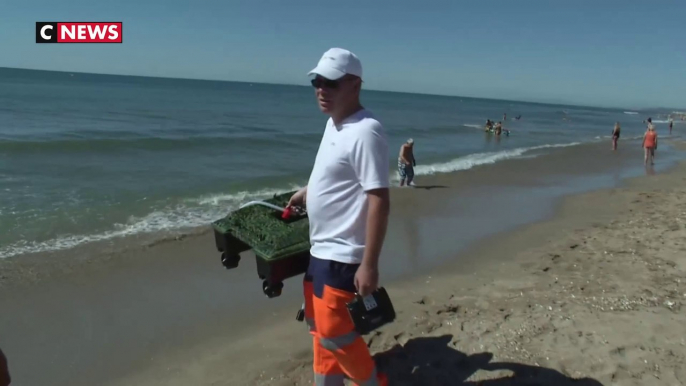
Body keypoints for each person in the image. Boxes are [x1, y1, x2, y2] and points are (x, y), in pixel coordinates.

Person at [288, 48, 390, 386]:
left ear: (355, 85)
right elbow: (335, 173)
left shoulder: (366, 130)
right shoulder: (334, 124)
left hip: (344, 254)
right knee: (318, 329)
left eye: (330, 83)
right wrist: (308, 191)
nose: (321, 89)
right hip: (320, 249)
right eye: (317, 81)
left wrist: (369, 264)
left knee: (336, 334)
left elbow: (379, 198)